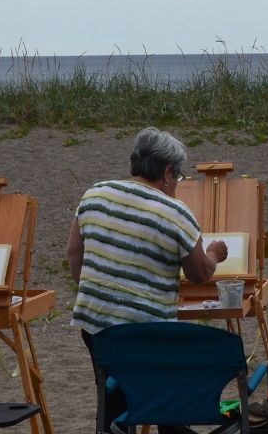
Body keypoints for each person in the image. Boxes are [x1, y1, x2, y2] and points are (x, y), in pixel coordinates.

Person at [66, 127, 228, 433]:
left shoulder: (94, 195)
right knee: (163, 389)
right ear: (168, 173)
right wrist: (214, 254)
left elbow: (74, 253)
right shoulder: (175, 212)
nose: (177, 185)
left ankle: (114, 425)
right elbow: (199, 275)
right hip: (146, 332)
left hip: (96, 326)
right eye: (178, 177)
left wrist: (97, 291)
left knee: (115, 392)